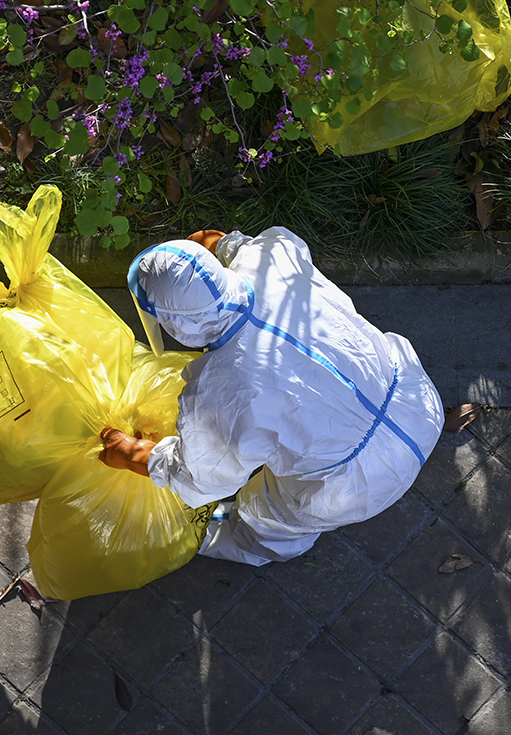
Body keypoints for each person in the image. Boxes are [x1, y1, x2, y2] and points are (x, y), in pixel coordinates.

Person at [99, 226, 444, 565]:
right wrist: (220, 245)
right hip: (417, 405)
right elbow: (241, 244)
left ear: (176, 325)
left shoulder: (219, 391)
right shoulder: (272, 258)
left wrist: (133, 454)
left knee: (273, 515)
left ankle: (246, 541)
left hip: (353, 484)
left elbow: (204, 477)